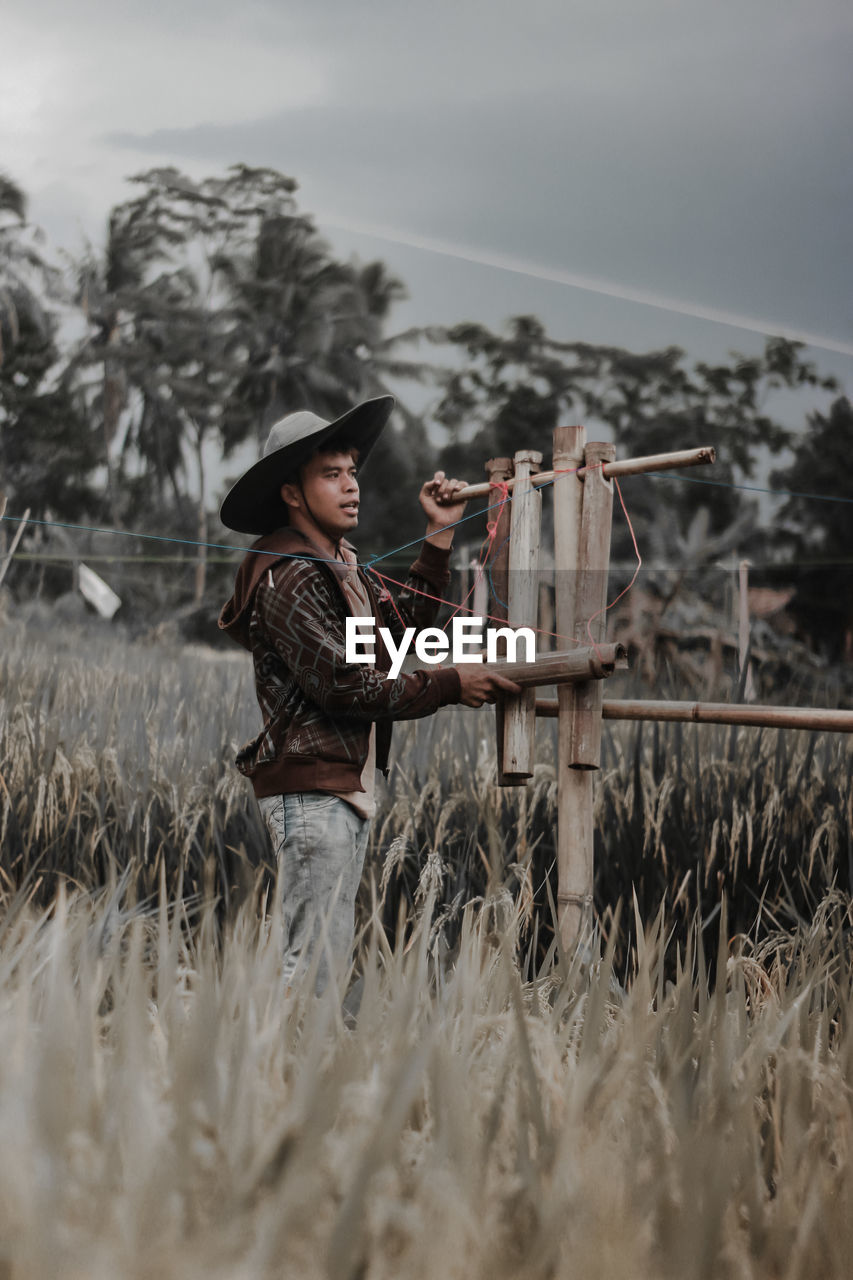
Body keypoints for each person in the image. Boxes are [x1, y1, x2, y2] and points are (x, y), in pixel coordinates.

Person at [218, 394, 519, 994]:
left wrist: (437, 537)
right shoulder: (292, 575)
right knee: (313, 971)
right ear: (292, 493)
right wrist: (452, 684)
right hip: (312, 795)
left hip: (340, 792)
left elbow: (396, 641)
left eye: (352, 471)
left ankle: (290, 1077)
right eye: (331, 474)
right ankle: (275, 1080)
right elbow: (348, 685)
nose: (350, 484)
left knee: (321, 965)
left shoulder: (339, 566)